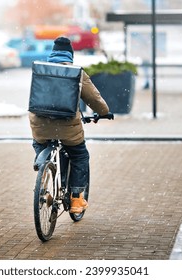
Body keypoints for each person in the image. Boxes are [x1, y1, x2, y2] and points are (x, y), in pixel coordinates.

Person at [29, 37, 109, 214]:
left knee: (39, 142)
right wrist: (104, 112)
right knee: (80, 156)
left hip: (40, 125)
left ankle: (42, 161)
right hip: (67, 127)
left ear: (52, 54)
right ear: (70, 55)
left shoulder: (40, 70)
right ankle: (76, 199)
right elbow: (94, 99)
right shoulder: (76, 73)